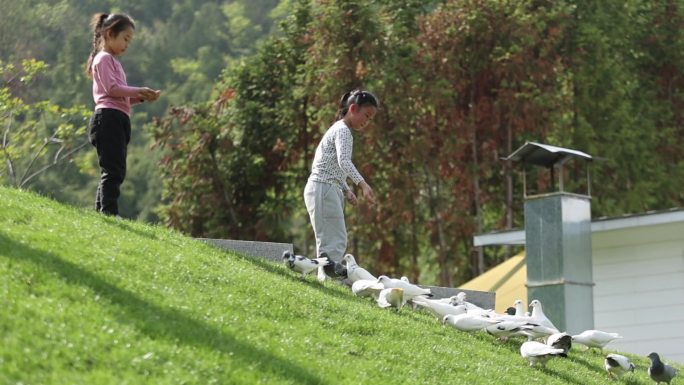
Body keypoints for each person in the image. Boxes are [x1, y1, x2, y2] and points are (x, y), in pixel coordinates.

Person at [84, 13, 161, 217]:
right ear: (110, 34)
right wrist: (137, 90)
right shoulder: (103, 59)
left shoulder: (114, 63)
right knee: (112, 169)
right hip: (108, 118)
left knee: (115, 169)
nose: (127, 45)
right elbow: (111, 88)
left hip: (117, 119)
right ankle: (108, 211)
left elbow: (121, 95)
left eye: (130, 41)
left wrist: (142, 97)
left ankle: (102, 211)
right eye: (125, 39)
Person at [304, 89, 378, 280]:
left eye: (370, 119)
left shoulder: (339, 129)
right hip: (323, 187)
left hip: (328, 187)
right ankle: (329, 279)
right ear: (353, 108)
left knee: (331, 239)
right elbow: (344, 161)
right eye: (366, 116)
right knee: (335, 240)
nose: (367, 122)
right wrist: (362, 185)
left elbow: (333, 165)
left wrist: (346, 190)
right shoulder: (343, 131)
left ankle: (325, 277)